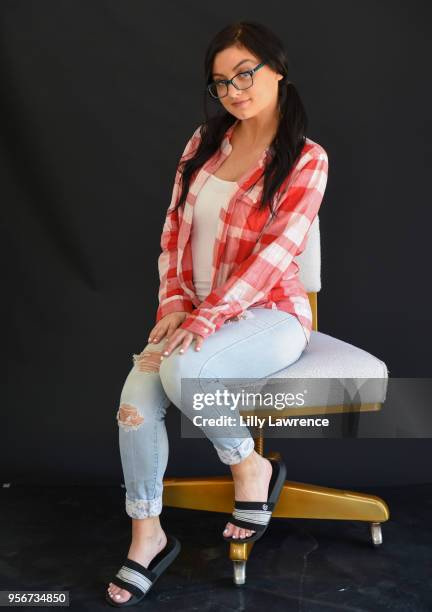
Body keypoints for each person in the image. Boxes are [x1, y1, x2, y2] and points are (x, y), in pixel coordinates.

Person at [106, 20, 328, 605]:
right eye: (221, 82)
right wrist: (179, 303)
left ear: (278, 70)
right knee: (134, 404)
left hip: (270, 315)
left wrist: (207, 318)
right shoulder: (204, 143)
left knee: (185, 371)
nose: (234, 89)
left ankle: (249, 469)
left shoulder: (306, 159)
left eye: (246, 73)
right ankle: (147, 536)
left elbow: (277, 255)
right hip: (199, 312)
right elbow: (174, 231)